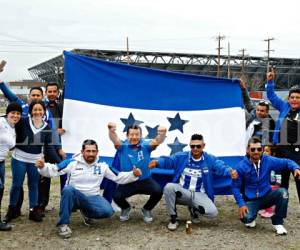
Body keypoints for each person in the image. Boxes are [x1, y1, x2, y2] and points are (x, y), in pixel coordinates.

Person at [35, 139, 142, 238]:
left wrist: (133, 174)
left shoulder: (102, 165)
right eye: (88, 151)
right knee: (68, 190)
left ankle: (86, 212)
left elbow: (119, 177)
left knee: (108, 211)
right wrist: (42, 167)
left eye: (93, 151)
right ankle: (63, 225)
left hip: (92, 197)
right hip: (74, 196)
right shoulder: (72, 163)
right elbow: (54, 170)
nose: (91, 154)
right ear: (82, 151)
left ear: (97, 152)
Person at [148, 133, 238, 231]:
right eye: (192, 146)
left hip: (200, 194)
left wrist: (230, 171)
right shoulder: (182, 156)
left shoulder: (209, 159)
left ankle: (194, 209)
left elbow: (220, 166)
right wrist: (157, 162)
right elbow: (169, 161)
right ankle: (173, 218)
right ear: (190, 145)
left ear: (203, 146)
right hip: (183, 192)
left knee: (213, 213)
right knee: (169, 187)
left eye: (198, 146)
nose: (195, 148)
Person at [4, 100, 61, 223]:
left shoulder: (47, 127)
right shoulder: (23, 121)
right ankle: (12, 210)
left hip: (35, 161)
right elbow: (9, 121)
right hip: (19, 158)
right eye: (35, 109)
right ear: (30, 111)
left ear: (44, 111)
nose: (37, 112)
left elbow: (49, 148)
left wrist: (60, 162)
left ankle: (33, 211)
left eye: (40, 109)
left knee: (34, 186)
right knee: (16, 185)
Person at [231, 137, 300, 235]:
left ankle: (278, 222)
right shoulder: (241, 166)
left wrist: (296, 168)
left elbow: (286, 162)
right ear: (247, 150)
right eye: (253, 149)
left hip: (266, 196)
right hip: (251, 200)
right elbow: (235, 187)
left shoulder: (268, 160)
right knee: (246, 219)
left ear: (262, 150)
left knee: (283, 193)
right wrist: (241, 204)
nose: (256, 152)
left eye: (259, 149)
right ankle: (252, 216)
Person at [108, 123, 166, 223]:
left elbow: (157, 141)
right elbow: (115, 139)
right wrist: (111, 131)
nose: (134, 137)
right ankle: (125, 208)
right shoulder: (122, 146)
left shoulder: (146, 145)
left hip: (145, 180)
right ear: (127, 136)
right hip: (128, 181)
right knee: (116, 196)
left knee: (158, 191)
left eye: (137, 134)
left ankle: (147, 209)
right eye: (132, 134)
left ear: (141, 136)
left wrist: (162, 134)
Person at [266, 69, 300, 203]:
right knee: (281, 183)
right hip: (281, 151)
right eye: (292, 97)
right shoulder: (284, 106)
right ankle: (280, 209)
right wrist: (270, 81)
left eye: (297, 97)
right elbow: (272, 96)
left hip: (297, 154)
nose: (294, 100)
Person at [38, 82, 66, 216]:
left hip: (63, 147)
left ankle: (66, 203)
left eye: (55, 91)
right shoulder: (40, 108)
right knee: (44, 176)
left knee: (64, 174)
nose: (52, 94)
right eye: (50, 91)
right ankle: (42, 204)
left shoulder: (64, 106)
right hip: (46, 146)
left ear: (58, 92)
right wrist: (54, 131)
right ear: (46, 93)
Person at [0, 102, 22, 231]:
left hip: (1, 162)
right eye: (13, 113)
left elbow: (12, 146)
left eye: (18, 113)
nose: (15, 115)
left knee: (1, 189)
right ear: (7, 113)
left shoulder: (13, 126)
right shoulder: (1, 122)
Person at [240, 80, 275, 145]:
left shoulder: (268, 124)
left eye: (262, 111)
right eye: (258, 110)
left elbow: (263, 139)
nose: (258, 112)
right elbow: (247, 101)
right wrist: (243, 88)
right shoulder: (254, 112)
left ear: (267, 112)